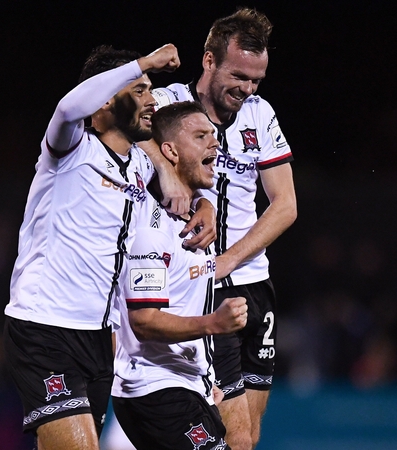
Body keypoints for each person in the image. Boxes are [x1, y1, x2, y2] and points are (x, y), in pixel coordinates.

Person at [2, 44, 216, 450]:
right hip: (45, 327)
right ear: (101, 103)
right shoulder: (69, 149)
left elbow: (182, 193)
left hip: (99, 339)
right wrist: (145, 63)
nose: (151, 99)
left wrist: (205, 203)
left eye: (150, 89)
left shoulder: (139, 165)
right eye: (139, 90)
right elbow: (68, 107)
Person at [152, 8, 297, 448]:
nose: (247, 89)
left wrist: (229, 260)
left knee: (249, 437)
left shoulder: (259, 113)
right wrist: (168, 170)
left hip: (254, 283)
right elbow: (114, 122)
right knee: (230, 438)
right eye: (239, 76)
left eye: (256, 80)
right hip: (201, 289)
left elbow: (285, 205)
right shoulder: (168, 102)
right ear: (209, 60)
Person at [112, 101, 248, 450]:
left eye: (213, 136)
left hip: (186, 385)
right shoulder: (152, 228)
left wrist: (203, 375)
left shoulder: (195, 218)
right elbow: (143, 319)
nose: (213, 144)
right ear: (170, 150)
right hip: (154, 389)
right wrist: (212, 324)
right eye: (200, 136)